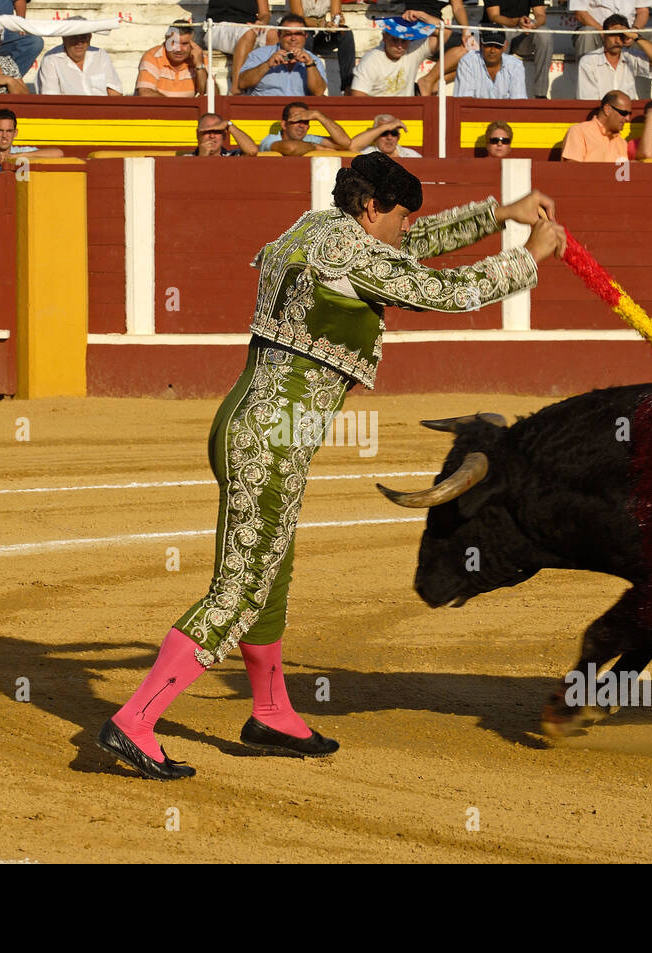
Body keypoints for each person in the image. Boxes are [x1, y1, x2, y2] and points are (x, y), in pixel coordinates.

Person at [95, 152, 566, 780]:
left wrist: (497, 215)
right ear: (371, 208)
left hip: (251, 423)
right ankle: (136, 719)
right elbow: (446, 293)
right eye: (399, 215)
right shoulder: (356, 254)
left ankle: (270, 711)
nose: (406, 228)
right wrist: (527, 257)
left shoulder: (317, 227)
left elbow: (410, 244)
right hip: (272, 438)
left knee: (270, 573)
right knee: (239, 588)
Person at [351, 14, 461, 97]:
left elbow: (445, 31)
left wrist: (420, 15)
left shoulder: (412, 50)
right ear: (384, 38)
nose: (399, 46)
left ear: (409, 40)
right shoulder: (371, 60)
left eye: (404, 41)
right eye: (394, 40)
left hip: (409, 115)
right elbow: (357, 96)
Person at [575, 14, 652, 101]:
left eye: (621, 35)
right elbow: (587, 101)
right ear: (604, 35)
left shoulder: (630, 57)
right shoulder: (589, 61)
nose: (617, 41)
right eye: (613, 35)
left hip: (628, 112)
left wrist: (635, 36)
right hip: (602, 112)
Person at [238, 14, 328, 95]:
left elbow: (319, 92)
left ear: (306, 36)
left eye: (298, 34)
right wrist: (267, 64)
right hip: (265, 108)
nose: (293, 38)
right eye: (288, 34)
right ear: (279, 35)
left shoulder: (312, 59)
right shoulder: (260, 54)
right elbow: (242, 83)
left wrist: (310, 65)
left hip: (299, 111)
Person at [485, 0, 554, 98]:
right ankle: (498, 91)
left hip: (522, 34)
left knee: (545, 34)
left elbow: (541, 15)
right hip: (500, 32)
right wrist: (517, 22)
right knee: (500, 30)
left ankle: (540, 94)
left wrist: (532, 24)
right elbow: (494, 16)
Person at [36, 18, 122, 95]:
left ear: (90, 37)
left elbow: (114, 92)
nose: (79, 42)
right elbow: (51, 99)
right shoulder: (51, 59)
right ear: (64, 38)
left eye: (83, 37)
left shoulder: (100, 55)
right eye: (74, 37)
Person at [0, 108, 64, 172]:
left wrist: (17, 156)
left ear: (15, 133)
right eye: (0, 130)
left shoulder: (21, 152)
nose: (4, 135)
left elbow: (58, 154)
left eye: (9, 131)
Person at [289, 0, 357, 93]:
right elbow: (298, 18)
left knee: (345, 33)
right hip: (301, 31)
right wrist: (321, 25)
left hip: (321, 32)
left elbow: (336, 14)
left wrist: (337, 22)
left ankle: (348, 86)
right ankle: (307, 86)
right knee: (306, 35)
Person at [207, 0, 271, 88]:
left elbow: (265, 13)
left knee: (272, 34)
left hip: (249, 26)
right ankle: (236, 88)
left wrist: (262, 22)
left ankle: (270, 86)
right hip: (218, 26)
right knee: (248, 33)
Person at [137, 21, 208, 97]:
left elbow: (212, 96)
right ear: (166, 40)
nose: (179, 49)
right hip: (159, 109)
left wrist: (199, 65)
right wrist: (178, 107)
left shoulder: (199, 56)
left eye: (184, 44)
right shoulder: (153, 56)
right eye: (174, 43)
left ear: (192, 44)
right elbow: (145, 93)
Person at [568, 0, 652, 59]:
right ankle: (586, 76)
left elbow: (643, 11)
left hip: (628, 34)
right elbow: (580, 13)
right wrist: (603, 32)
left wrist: (634, 32)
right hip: (598, 34)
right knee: (587, 33)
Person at [258, 101, 353, 155]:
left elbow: (345, 143)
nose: (301, 125)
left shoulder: (308, 139)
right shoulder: (271, 139)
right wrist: (316, 147)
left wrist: (319, 116)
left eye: (305, 122)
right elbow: (290, 148)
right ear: (284, 125)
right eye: (297, 121)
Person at [454, 29, 527, 98]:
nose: (492, 50)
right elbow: (464, 101)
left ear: (505, 46)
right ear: (481, 45)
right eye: (488, 45)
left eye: (497, 46)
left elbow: (518, 102)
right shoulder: (468, 62)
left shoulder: (516, 65)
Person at [562, 89, 632, 161]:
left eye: (630, 114)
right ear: (607, 109)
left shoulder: (622, 143)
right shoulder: (579, 131)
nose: (627, 118)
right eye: (623, 113)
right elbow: (571, 170)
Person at [350, 114, 423, 157]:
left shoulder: (411, 155)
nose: (389, 137)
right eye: (384, 133)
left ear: (398, 137)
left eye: (394, 133)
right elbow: (352, 146)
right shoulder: (366, 154)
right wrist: (386, 126)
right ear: (375, 137)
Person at [188, 113, 260, 155]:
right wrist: (202, 158)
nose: (212, 136)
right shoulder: (186, 159)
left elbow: (252, 151)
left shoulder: (232, 156)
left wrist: (229, 125)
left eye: (217, 132)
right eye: (207, 131)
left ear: (224, 135)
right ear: (197, 134)